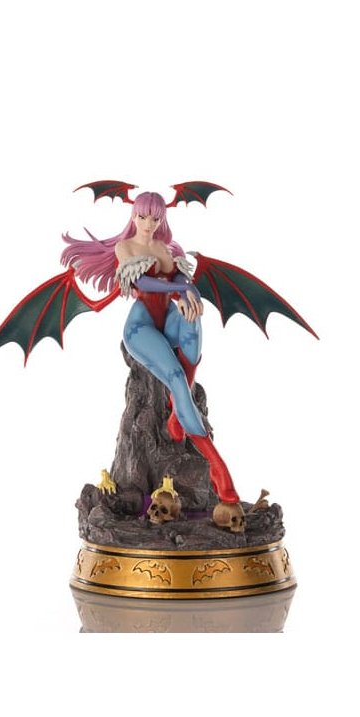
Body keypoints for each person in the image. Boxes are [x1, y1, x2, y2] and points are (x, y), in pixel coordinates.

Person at [61, 191, 243, 523]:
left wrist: (188, 292)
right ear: (133, 216)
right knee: (175, 378)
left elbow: (181, 279)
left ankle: (178, 414)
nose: (148, 223)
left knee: (194, 319)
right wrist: (181, 289)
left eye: (155, 217)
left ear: (162, 218)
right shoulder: (126, 248)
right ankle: (222, 476)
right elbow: (143, 282)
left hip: (168, 319)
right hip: (141, 326)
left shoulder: (166, 248)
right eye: (143, 216)